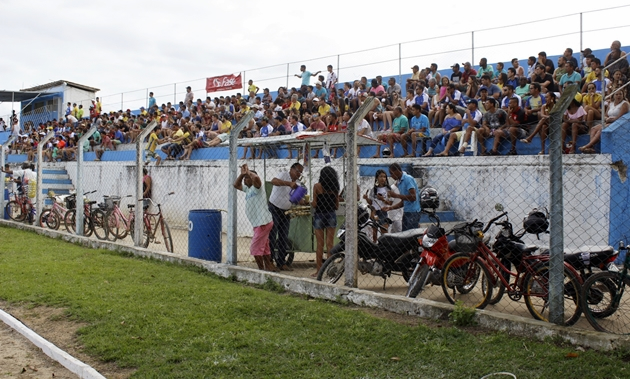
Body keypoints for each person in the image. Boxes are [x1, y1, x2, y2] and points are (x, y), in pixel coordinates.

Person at [233, 164, 277, 272]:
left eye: (247, 178)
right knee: (265, 247)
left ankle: (260, 270)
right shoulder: (248, 190)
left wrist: (248, 173)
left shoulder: (258, 188)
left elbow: (256, 178)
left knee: (255, 248)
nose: (245, 180)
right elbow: (236, 185)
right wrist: (242, 175)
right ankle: (269, 267)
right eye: (244, 179)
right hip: (259, 223)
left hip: (263, 223)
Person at [268, 162, 303, 271]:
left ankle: (281, 262)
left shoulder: (298, 184)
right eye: (298, 171)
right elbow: (273, 181)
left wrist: (303, 201)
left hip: (286, 211)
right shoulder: (283, 174)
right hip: (274, 208)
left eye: (300, 173)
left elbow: (296, 200)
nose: (299, 174)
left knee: (284, 236)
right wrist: (288, 183)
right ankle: (269, 262)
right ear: (291, 169)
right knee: (272, 236)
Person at [311, 166, 340, 276]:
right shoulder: (335, 188)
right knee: (330, 244)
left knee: (320, 244)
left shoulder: (317, 186)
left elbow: (314, 203)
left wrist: (308, 202)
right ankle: (330, 269)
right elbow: (337, 206)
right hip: (331, 215)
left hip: (319, 215)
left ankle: (319, 270)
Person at [382, 163, 419, 231]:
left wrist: (396, 195)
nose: (391, 176)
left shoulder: (407, 179)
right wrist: (390, 208)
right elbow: (403, 201)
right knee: (405, 236)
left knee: (410, 236)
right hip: (406, 211)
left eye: (392, 173)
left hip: (413, 212)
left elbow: (413, 197)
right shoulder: (399, 182)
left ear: (397, 171)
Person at [363, 169, 393, 240]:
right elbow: (371, 202)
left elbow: (390, 203)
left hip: (383, 212)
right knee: (374, 234)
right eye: (381, 176)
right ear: (377, 178)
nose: (383, 179)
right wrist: (366, 198)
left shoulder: (388, 189)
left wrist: (382, 199)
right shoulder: (373, 190)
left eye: (384, 177)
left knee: (384, 233)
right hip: (374, 212)